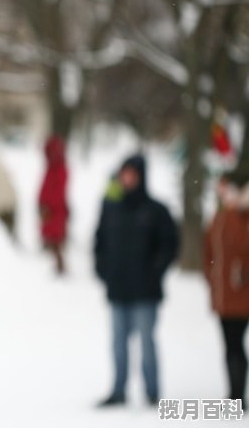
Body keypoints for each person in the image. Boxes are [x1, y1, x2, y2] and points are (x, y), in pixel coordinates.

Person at [94, 154, 179, 407]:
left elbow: (169, 245)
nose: (127, 179)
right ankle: (118, 391)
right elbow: (99, 242)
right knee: (118, 344)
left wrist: (155, 271)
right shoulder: (111, 207)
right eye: (124, 173)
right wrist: (104, 270)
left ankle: (152, 392)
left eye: (132, 174)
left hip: (146, 291)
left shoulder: (155, 210)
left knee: (147, 342)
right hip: (118, 289)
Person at [203, 169, 249, 406]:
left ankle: (238, 394)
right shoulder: (220, 217)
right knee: (231, 345)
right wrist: (211, 278)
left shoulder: (240, 217)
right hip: (224, 295)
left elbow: (242, 246)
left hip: (241, 294)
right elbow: (209, 252)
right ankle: (234, 393)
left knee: (236, 345)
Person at [38, 135, 68, 275]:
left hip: (55, 211)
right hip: (49, 210)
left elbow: (58, 192)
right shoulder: (51, 167)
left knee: (56, 241)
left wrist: (48, 206)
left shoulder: (60, 169)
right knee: (50, 238)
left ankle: (60, 267)